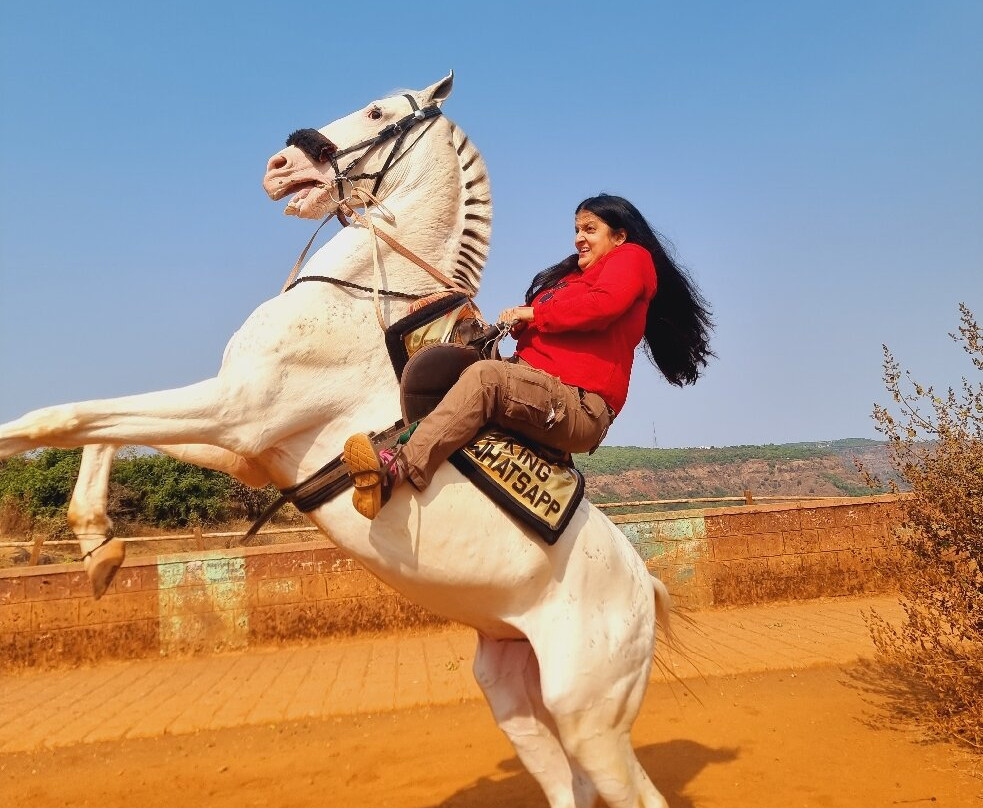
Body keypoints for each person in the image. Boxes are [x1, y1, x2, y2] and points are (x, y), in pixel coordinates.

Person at [344, 193, 714, 519]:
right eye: (576, 229)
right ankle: (384, 453)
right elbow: (553, 320)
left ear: (619, 235)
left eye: (589, 229)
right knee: (451, 370)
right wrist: (518, 323)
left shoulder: (631, 257)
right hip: (537, 384)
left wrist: (533, 314)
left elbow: (603, 307)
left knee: (486, 378)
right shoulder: (571, 278)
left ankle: (396, 474)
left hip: (577, 403)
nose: (578, 238)